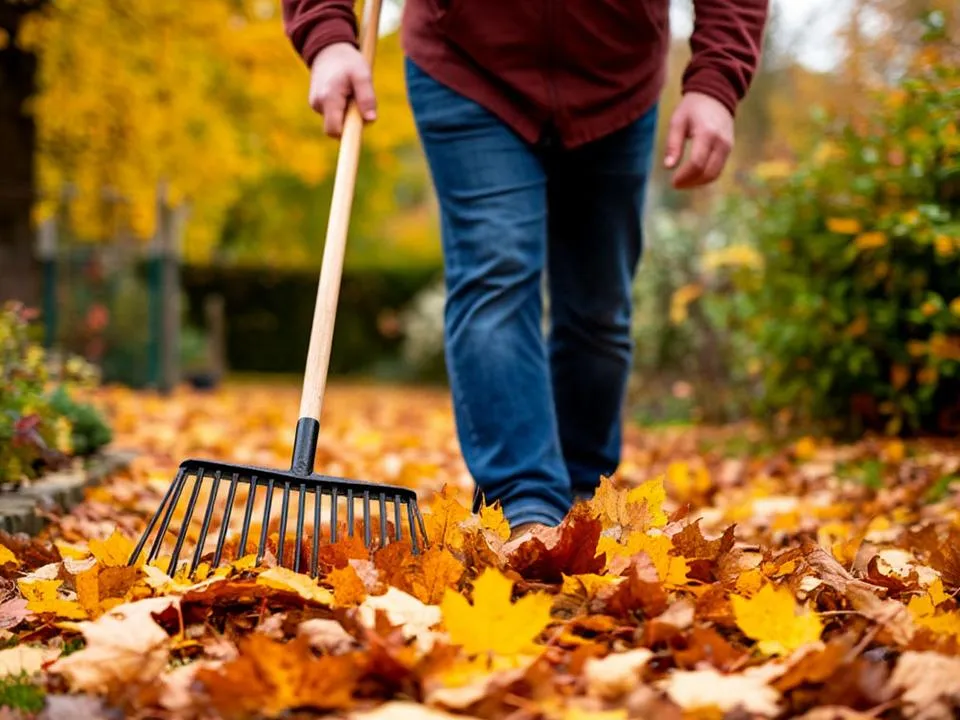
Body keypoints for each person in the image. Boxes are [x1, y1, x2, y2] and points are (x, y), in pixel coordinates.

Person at [282, 0, 769, 540]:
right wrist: (327, 34)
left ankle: (583, 497)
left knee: (599, 308)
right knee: (496, 271)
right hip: (466, 63)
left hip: (616, 76)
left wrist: (716, 80)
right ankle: (525, 509)